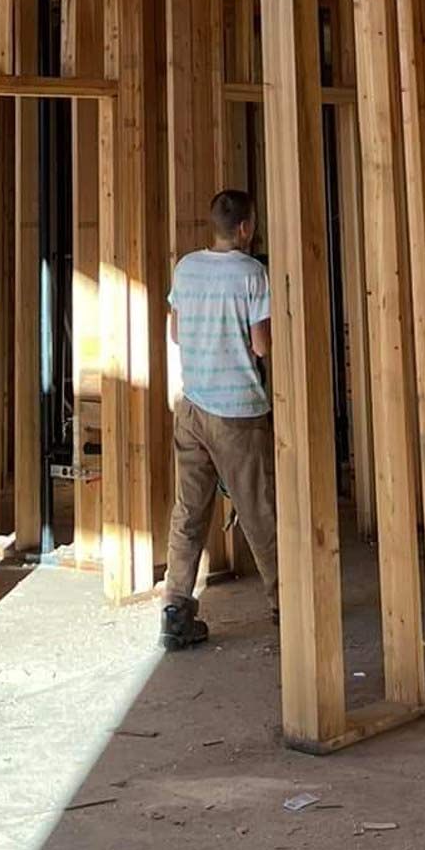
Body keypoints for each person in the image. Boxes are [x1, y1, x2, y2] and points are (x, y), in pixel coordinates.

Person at [161, 188, 279, 651]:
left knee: (188, 512)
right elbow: (263, 345)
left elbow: (174, 330)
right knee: (259, 511)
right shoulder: (252, 274)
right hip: (238, 413)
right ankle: (285, 605)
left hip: (191, 408)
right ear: (246, 228)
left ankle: (175, 609)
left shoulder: (186, 268)